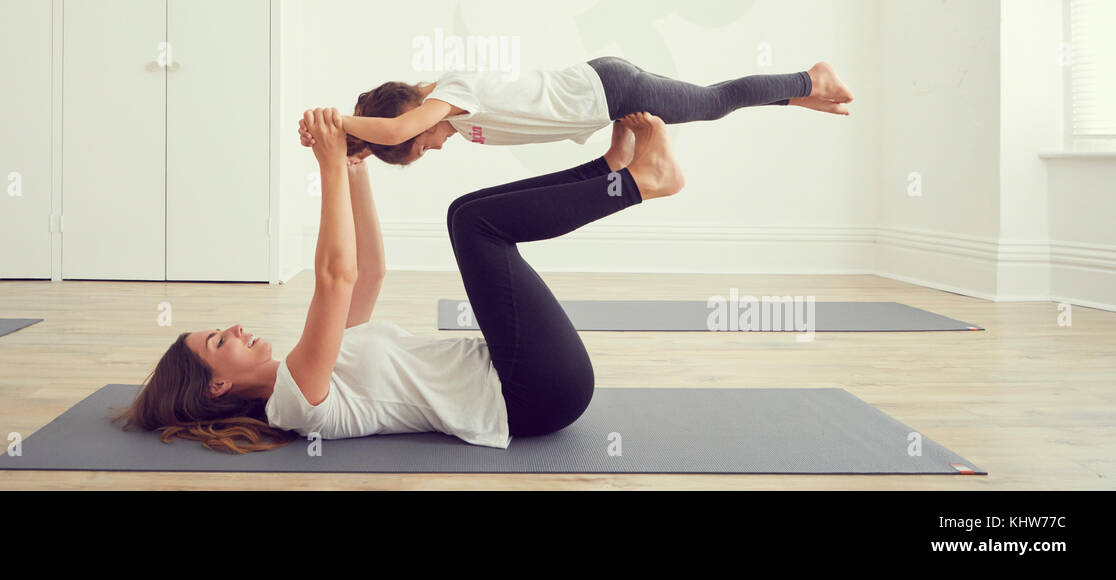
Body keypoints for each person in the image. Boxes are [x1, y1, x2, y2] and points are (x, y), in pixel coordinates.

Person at [115, 107, 683, 452]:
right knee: (475, 224)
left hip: (519, 372)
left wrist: (355, 165)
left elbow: (367, 273)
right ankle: (639, 181)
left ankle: (611, 171)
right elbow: (335, 278)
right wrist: (329, 166)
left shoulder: (307, 363)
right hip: (532, 395)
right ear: (217, 387)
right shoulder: (292, 402)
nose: (235, 328)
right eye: (220, 342)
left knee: (468, 215)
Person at [339, 55, 853, 165]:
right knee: (712, 102)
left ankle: (813, 77)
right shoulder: (450, 112)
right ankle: (805, 94)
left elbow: (403, 126)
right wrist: (357, 147)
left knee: (713, 103)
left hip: (610, 89)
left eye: (421, 147)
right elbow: (396, 129)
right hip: (606, 97)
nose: (430, 145)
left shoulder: (452, 93)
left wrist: (335, 124)